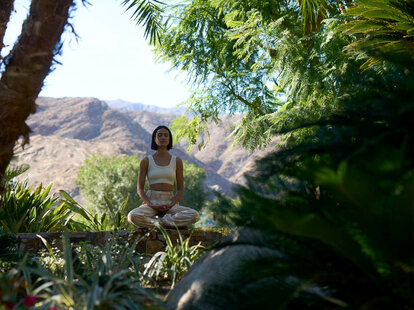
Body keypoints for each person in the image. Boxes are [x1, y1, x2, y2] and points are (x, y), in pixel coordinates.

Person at [127, 125, 200, 229]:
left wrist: (171, 204)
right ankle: (166, 223)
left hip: (170, 203)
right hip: (151, 203)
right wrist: (151, 204)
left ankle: (160, 222)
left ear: (169, 139)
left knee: (194, 215)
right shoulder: (146, 161)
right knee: (132, 216)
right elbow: (140, 189)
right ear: (154, 139)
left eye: (166, 135)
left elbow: (180, 189)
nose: (163, 138)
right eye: (159, 135)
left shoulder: (177, 161)